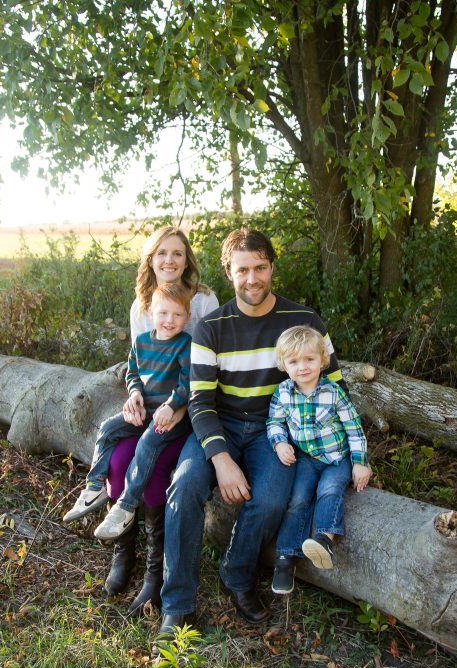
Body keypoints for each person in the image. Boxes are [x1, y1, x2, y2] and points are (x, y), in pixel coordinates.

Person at [157, 227, 346, 638]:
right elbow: (201, 401)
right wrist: (222, 461)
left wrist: (330, 444)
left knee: (273, 499)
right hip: (219, 422)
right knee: (185, 485)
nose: (253, 278)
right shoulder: (211, 327)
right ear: (230, 272)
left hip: (274, 430)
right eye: (243, 269)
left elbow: (335, 386)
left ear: (272, 267)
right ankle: (177, 603)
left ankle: (237, 574)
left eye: (261, 267)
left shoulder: (303, 320)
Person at [64, 227, 218, 616]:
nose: (169, 260)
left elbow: (205, 367)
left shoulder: (203, 301)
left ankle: (154, 571)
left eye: (178, 254)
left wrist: (180, 405)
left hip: (186, 410)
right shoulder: (141, 306)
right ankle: (123, 551)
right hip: (149, 406)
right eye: (161, 253)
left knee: (151, 467)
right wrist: (133, 397)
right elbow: (139, 365)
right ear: (150, 259)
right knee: (118, 460)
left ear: (187, 260)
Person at [63, 282, 193, 541]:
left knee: (147, 443)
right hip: (143, 410)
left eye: (177, 314)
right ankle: (94, 485)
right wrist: (134, 394)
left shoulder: (185, 345)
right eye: (164, 313)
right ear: (152, 313)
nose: (170, 320)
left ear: (187, 318)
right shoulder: (142, 342)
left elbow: (189, 382)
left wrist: (171, 406)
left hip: (169, 416)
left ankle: (126, 505)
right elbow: (132, 373)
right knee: (108, 428)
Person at [265, 325, 371, 595]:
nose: (302, 367)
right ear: (284, 365)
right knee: (298, 498)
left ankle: (324, 538)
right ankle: (285, 558)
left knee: (329, 490)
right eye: (294, 361)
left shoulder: (333, 392)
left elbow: (354, 428)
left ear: (322, 360)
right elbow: (275, 422)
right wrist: (280, 444)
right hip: (307, 458)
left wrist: (360, 461)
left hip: (337, 459)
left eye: (309, 359)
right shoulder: (283, 393)